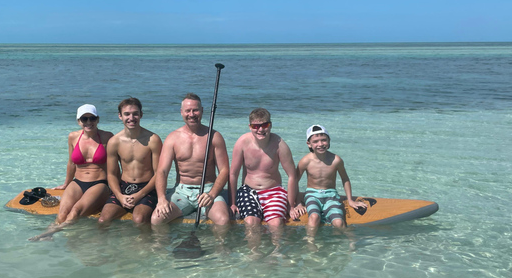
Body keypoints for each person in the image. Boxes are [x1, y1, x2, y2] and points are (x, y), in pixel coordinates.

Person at [29, 104, 113, 241]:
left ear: (97, 119)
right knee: (62, 214)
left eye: (92, 118)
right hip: (78, 182)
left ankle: (47, 234)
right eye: (84, 119)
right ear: (79, 121)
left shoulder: (107, 137)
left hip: (100, 183)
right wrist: (66, 183)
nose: (88, 122)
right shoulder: (73, 137)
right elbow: (71, 163)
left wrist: (119, 187)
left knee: (75, 211)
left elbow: (116, 164)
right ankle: (50, 234)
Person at [229, 108, 305, 250]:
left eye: (264, 125)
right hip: (248, 190)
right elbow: (233, 174)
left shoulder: (279, 144)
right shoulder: (242, 142)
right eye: (255, 126)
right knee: (251, 222)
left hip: (274, 191)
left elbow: (292, 175)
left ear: (270, 125)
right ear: (250, 127)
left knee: (276, 223)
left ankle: (276, 253)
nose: (260, 130)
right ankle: (254, 251)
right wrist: (233, 203)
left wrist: (291, 205)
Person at [151, 93, 231, 226]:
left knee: (223, 221)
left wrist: (212, 194)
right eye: (188, 110)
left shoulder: (214, 136)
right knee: (156, 220)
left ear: (202, 111)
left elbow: (224, 171)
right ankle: (163, 247)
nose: (192, 114)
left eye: (195, 110)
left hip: (208, 190)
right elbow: (162, 171)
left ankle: (218, 246)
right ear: (182, 112)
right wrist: (161, 199)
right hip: (182, 191)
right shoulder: (173, 138)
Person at [98, 97, 162, 225]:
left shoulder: (153, 140)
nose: (131, 118)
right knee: (103, 220)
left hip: (147, 188)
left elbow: (159, 173)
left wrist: (139, 195)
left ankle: (145, 244)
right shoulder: (114, 142)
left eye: (135, 114)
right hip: (123, 188)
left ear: (141, 115)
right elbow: (111, 174)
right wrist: (119, 196)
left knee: (139, 220)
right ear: (120, 116)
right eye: (127, 114)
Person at [297, 124, 367, 239]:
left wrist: (350, 200)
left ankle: (348, 241)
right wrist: (298, 203)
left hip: (331, 195)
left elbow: (345, 179)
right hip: (312, 194)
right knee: (314, 217)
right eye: (315, 141)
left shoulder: (336, 160)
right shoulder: (305, 161)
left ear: (329, 141)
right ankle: (310, 242)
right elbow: (294, 181)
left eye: (324, 140)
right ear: (309, 144)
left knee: (338, 223)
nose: (320, 144)